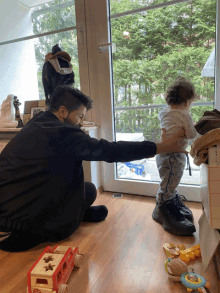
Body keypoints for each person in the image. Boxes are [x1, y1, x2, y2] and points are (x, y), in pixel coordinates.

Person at [0, 45, 185, 253]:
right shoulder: (63, 133)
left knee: (87, 189)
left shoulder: (39, 121)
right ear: (62, 111)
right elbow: (109, 151)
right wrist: (161, 146)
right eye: (79, 116)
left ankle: (71, 213)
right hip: (19, 225)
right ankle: (62, 221)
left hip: (8, 207)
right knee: (81, 199)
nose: (80, 123)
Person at [152, 77, 200, 236]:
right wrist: (194, 127)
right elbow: (191, 135)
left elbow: (165, 123)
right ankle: (163, 208)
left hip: (163, 153)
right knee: (169, 183)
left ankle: (170, 199)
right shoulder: (185, 115)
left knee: (168, 181)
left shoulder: (164, 111)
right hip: (175, 156)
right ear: (187, 102)